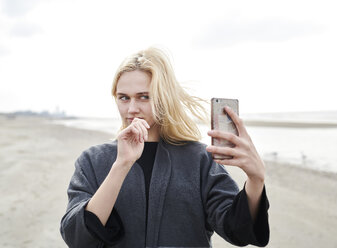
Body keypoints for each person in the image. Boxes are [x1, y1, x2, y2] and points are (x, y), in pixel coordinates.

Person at [60, 47, 269, 247]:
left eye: (144, 97)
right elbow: (77, 238)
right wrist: (122, 165)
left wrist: (256, 180)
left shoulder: (198, 159)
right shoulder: (93, 160)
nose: (132, 109)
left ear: (164, 98)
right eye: (124, 98)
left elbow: (238, 231)